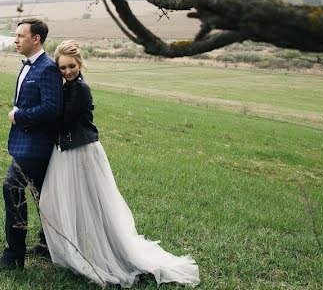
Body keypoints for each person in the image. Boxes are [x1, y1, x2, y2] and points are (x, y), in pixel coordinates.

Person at [39, 40, 201, 287]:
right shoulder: (67, 87)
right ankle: (75, 245)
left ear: (80, 63)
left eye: (71, 66)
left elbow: (63, 122)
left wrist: (35, 118)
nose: (68, 71)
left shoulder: (81, 89)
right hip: (66, 151)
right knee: (67, 202)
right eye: (62, 68)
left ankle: (98, 251)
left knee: (91, 204)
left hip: (81, 152)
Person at [0, 18, 63, 272]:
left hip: (36, 146)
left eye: (20, 35)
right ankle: (48, 245)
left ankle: (14, 256)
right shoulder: (29, 66)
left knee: (11, 186)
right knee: (43, 197)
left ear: (36, 39)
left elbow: (52, 109)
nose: (15, 40)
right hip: (25, 143)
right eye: (15, 35)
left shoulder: (47, 68)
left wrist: (19, 116)